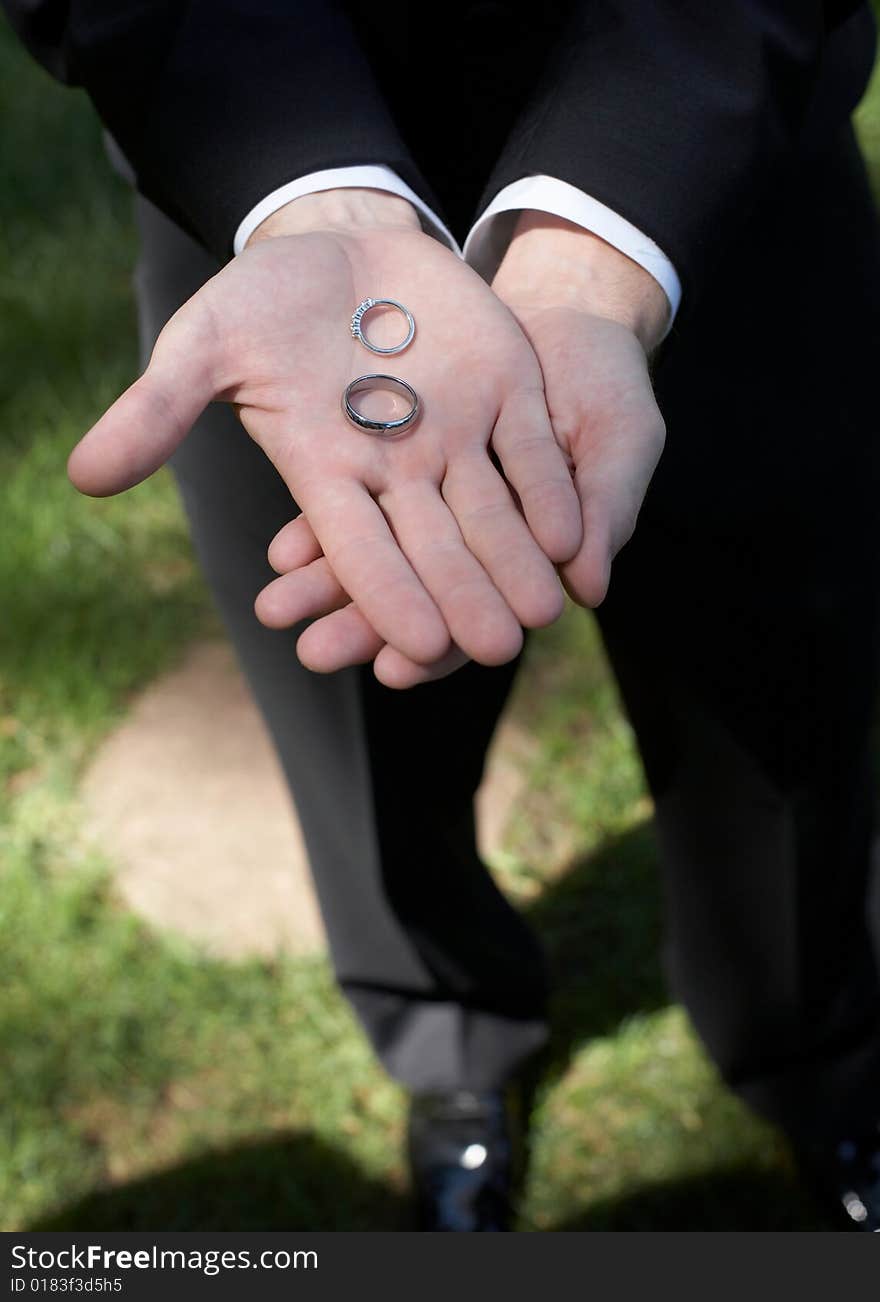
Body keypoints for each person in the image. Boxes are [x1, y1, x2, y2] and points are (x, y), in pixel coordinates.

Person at [5, 0, 880, 1231]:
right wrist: (315, 188)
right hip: (268, 241)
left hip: (721, 188)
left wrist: (600, 231)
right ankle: (450, 1046)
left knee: (780, 710)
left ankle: (817, 1062)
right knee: (367, 718)